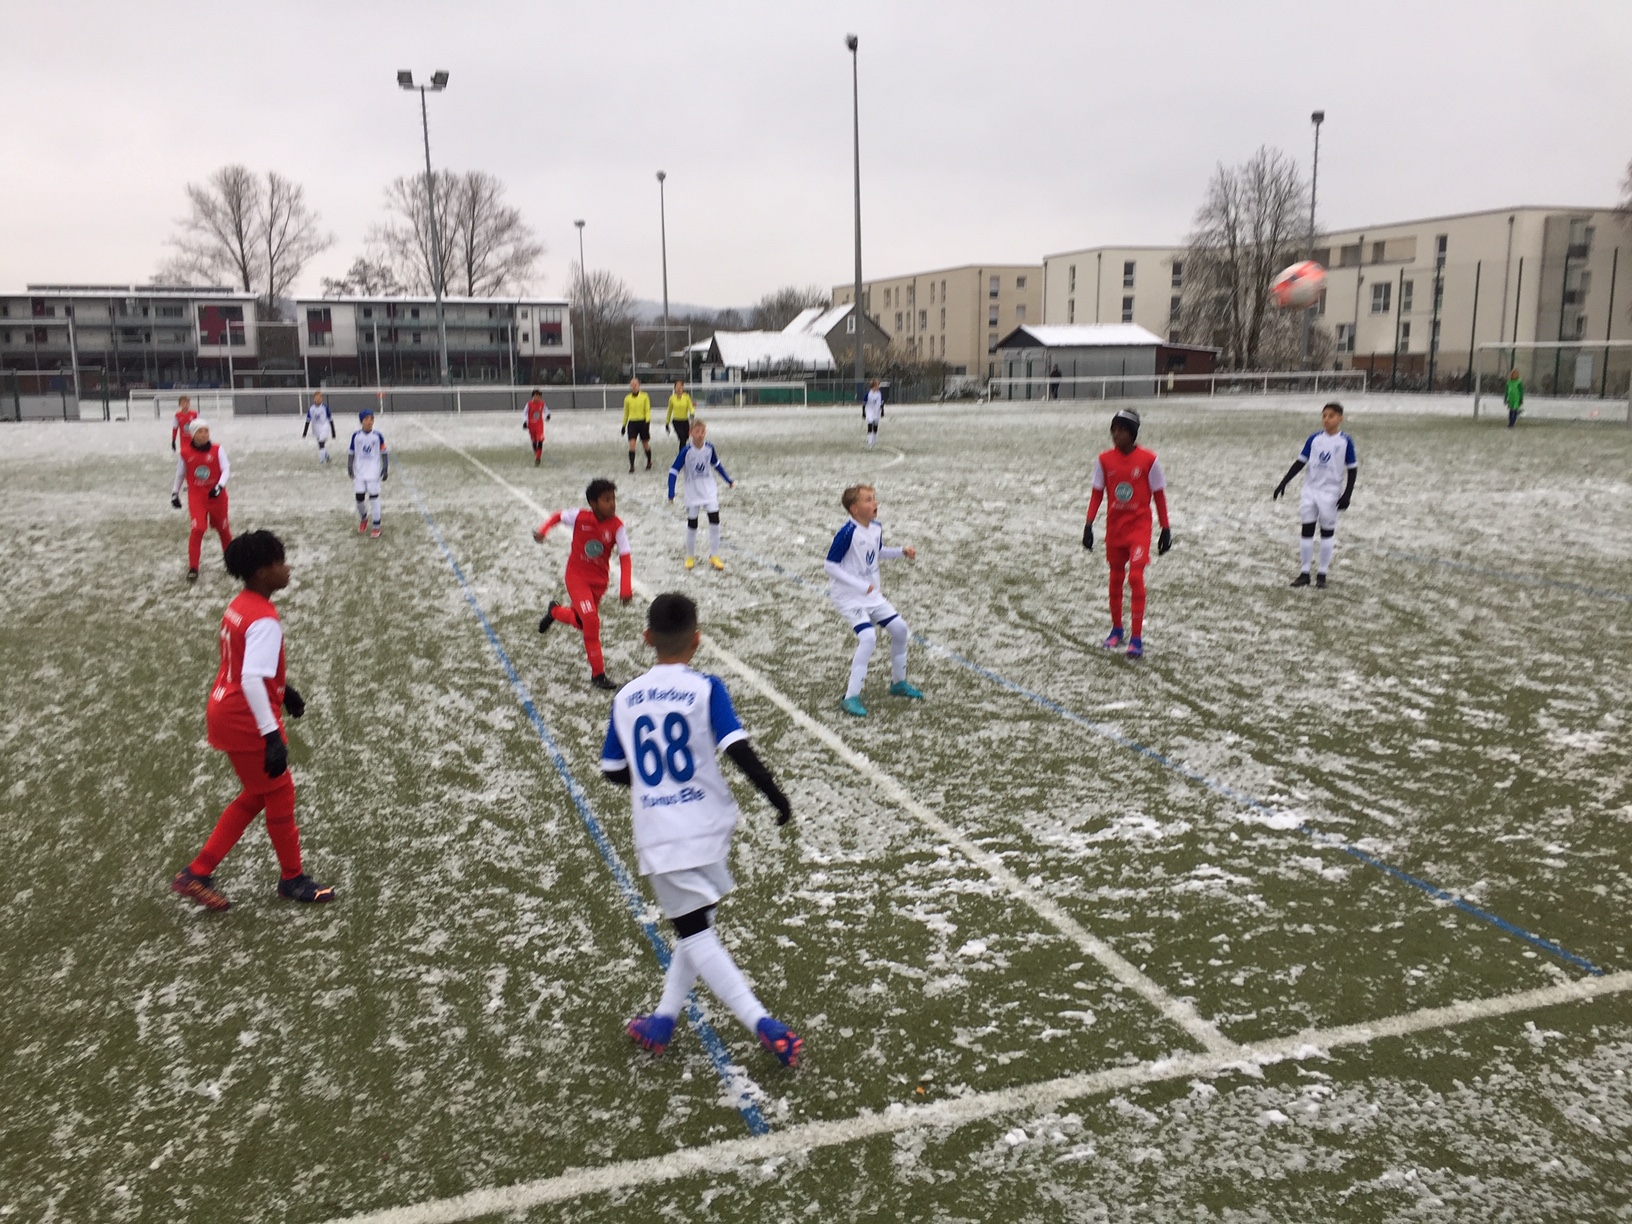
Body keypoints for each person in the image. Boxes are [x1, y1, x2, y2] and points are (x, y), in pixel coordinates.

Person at [603, 592, 802, 1067]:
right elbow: (738, 749)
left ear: (647, 638)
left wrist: (656, 782)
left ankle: (763, 1024)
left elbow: (612, 770)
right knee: (699, 924)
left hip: (664, 836)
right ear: (697, 640)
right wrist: (776, 795)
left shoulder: (626, 696)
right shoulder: (705, 687)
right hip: (711, 827)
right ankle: (663, 1020)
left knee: (694, 933)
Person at [170, 530, 335, 910]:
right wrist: (272, 736)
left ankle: (197, 872)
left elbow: (246, 665)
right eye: (281, 562)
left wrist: (284, 689)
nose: (287, 568)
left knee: (256, 795)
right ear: (262, 572)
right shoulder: (264, 620)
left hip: (226, 708)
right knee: (279, 792)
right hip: (245, 715)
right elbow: (249, 677)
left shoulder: (241, 604)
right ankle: (292, 879)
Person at [1082, 407, 1172, 659]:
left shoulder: (1149, 461)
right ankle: (1117, 629)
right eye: (1113, 430)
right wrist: (1089, 524)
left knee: (1135, 577)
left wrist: (1165, 528)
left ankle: (1136, 638)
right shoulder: (1104, 460)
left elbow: (1159, 496)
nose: (1115, 435)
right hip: (1115, 529)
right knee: (1115, 578)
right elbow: (1097, 493)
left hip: (1139, 529)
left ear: (1131, 433)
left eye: (1120, 430)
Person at [825, 483, 922, 717]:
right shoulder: (847, 532)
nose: (874, 503)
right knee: (868, 637)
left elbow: (877, 552)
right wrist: (860, 585)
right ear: (854, 509)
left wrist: (901, 551)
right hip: (849, 598)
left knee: (899, 629)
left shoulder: (876, 527)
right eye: (868, 500)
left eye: (874, 498)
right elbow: (829, 566)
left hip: (871, 595)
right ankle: (850, 697)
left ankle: (898, 683)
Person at [534, 478, 633, 691]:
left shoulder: (617, 527)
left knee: (582, 621)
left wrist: (625, 587)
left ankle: (556, 611)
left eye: (613, 499)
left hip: (599, 583)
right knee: (591, 621)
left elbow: (625, 556)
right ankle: (598, 675)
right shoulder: (580, 517)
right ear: (593, 503)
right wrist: (543, 530)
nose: (612, 504)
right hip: (576, 577)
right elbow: (557, 516)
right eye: (607, 500)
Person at [1273, 401, 1357, 589]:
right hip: (1310, 491)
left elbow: (1352, 469)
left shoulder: (1345, 442)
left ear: (1340, 418)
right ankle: (1304, 573)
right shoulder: (1314, 439)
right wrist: (1284, 481)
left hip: (1330, 493)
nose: (1326, 419)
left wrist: (1347, 494)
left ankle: (1322, 574)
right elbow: (1300, 462)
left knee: (1327, 532)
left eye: (1331, 416)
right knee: (1307, 530)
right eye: (1324, 415)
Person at [667, 418, 734, 571]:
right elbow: (673, 471)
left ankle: (714, 556)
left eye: (703, 431)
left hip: (709, 490)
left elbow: (717, 465)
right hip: (693, 492)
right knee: (692, 524)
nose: (701, 435)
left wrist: (728, 479)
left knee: (715, 520)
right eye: (697, 432)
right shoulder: (686, 451)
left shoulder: (710, 448)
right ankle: (690, 556)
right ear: (691, 433)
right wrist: (671, 492)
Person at [170, 418, 232, 582]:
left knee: (224, 530)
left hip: (217, 497)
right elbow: (180, 474)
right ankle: (193, 568)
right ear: (193, 434)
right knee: (197, 530)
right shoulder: (185, 453)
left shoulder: (217, 450)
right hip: (197, 497)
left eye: (206, 431)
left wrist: (219, 486)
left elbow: (226, 469)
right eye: (200, 431)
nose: (204, 434)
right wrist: (175, 493)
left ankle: (232, 563)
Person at [348, 409, 389, 538]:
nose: (369, 422)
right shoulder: (356, 436)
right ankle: (364, 518)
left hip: (373, 472)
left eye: (371, 419)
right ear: (361, 421)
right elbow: (351, 452)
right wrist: (349, 466)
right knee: (359, 499)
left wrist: (385, 468)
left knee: (374, 498)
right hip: (359, 472)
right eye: (366, 419)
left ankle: (376, 527)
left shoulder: (378, 436)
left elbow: (384, 452)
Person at [622, 377, 653, 472]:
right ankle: (632, 466)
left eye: (635, 384)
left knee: (645, 444)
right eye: (632, 385)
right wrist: (623, 425)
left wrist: (647, 421)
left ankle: (649, 461)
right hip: (632, 423)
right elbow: (626, 413)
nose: (634, 386)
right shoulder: (627, 399)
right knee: (632, 444)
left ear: (639, 385)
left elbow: (647, 410)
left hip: (643, 422)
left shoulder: (644, 396)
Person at [302, 391, 335, 464]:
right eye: (317, 397)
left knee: (321, 443)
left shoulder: (325, 408)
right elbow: (308, 421)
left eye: (320, 397)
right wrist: (305, 432)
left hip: (324, 427)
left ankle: (322, 461)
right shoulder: (311, 409)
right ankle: (327, 457)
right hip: (316, 429)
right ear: (314, 399)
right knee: (321, 446)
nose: (318, 399)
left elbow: (331, 420)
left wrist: (333, 432)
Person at [665, 379, 695, 457]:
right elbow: (669, 411)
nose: (679, 388)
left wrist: (692, 413)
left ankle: (684, 454)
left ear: (683, 387)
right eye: (677, 386)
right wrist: (667, 423)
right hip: (676, 422)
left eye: (680, 386)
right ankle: (681, 456)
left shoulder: (686, 397)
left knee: (685, 438)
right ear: (674, 388)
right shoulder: (672, 398)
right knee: (682, 438)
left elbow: (690, 407)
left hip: (685, 421)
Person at [523, 388, 550, 466]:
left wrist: (548, 415)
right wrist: (525, 422)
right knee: (534, 441)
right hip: (531, 426)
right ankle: (537, 453)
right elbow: (524, 413)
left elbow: (546, 410)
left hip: (539, 425)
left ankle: (538, 458)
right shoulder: (529, 404)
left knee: (540, 440)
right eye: (535, 396)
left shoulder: (542, 404)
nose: (537, 398)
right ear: (533, 397)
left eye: (538, 396)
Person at [862, 378, 884, 449]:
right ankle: (869, 442)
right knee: (870, 425)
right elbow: (864, 404)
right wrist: (863, 412)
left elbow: (881, 403)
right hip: (870, 411)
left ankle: (874, 442)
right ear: (874, 385)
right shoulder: (868, 394)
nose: (878, 386)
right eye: (877, 385)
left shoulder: (879, 394)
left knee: (875, 427)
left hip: (876, 412)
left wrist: (882, 410)